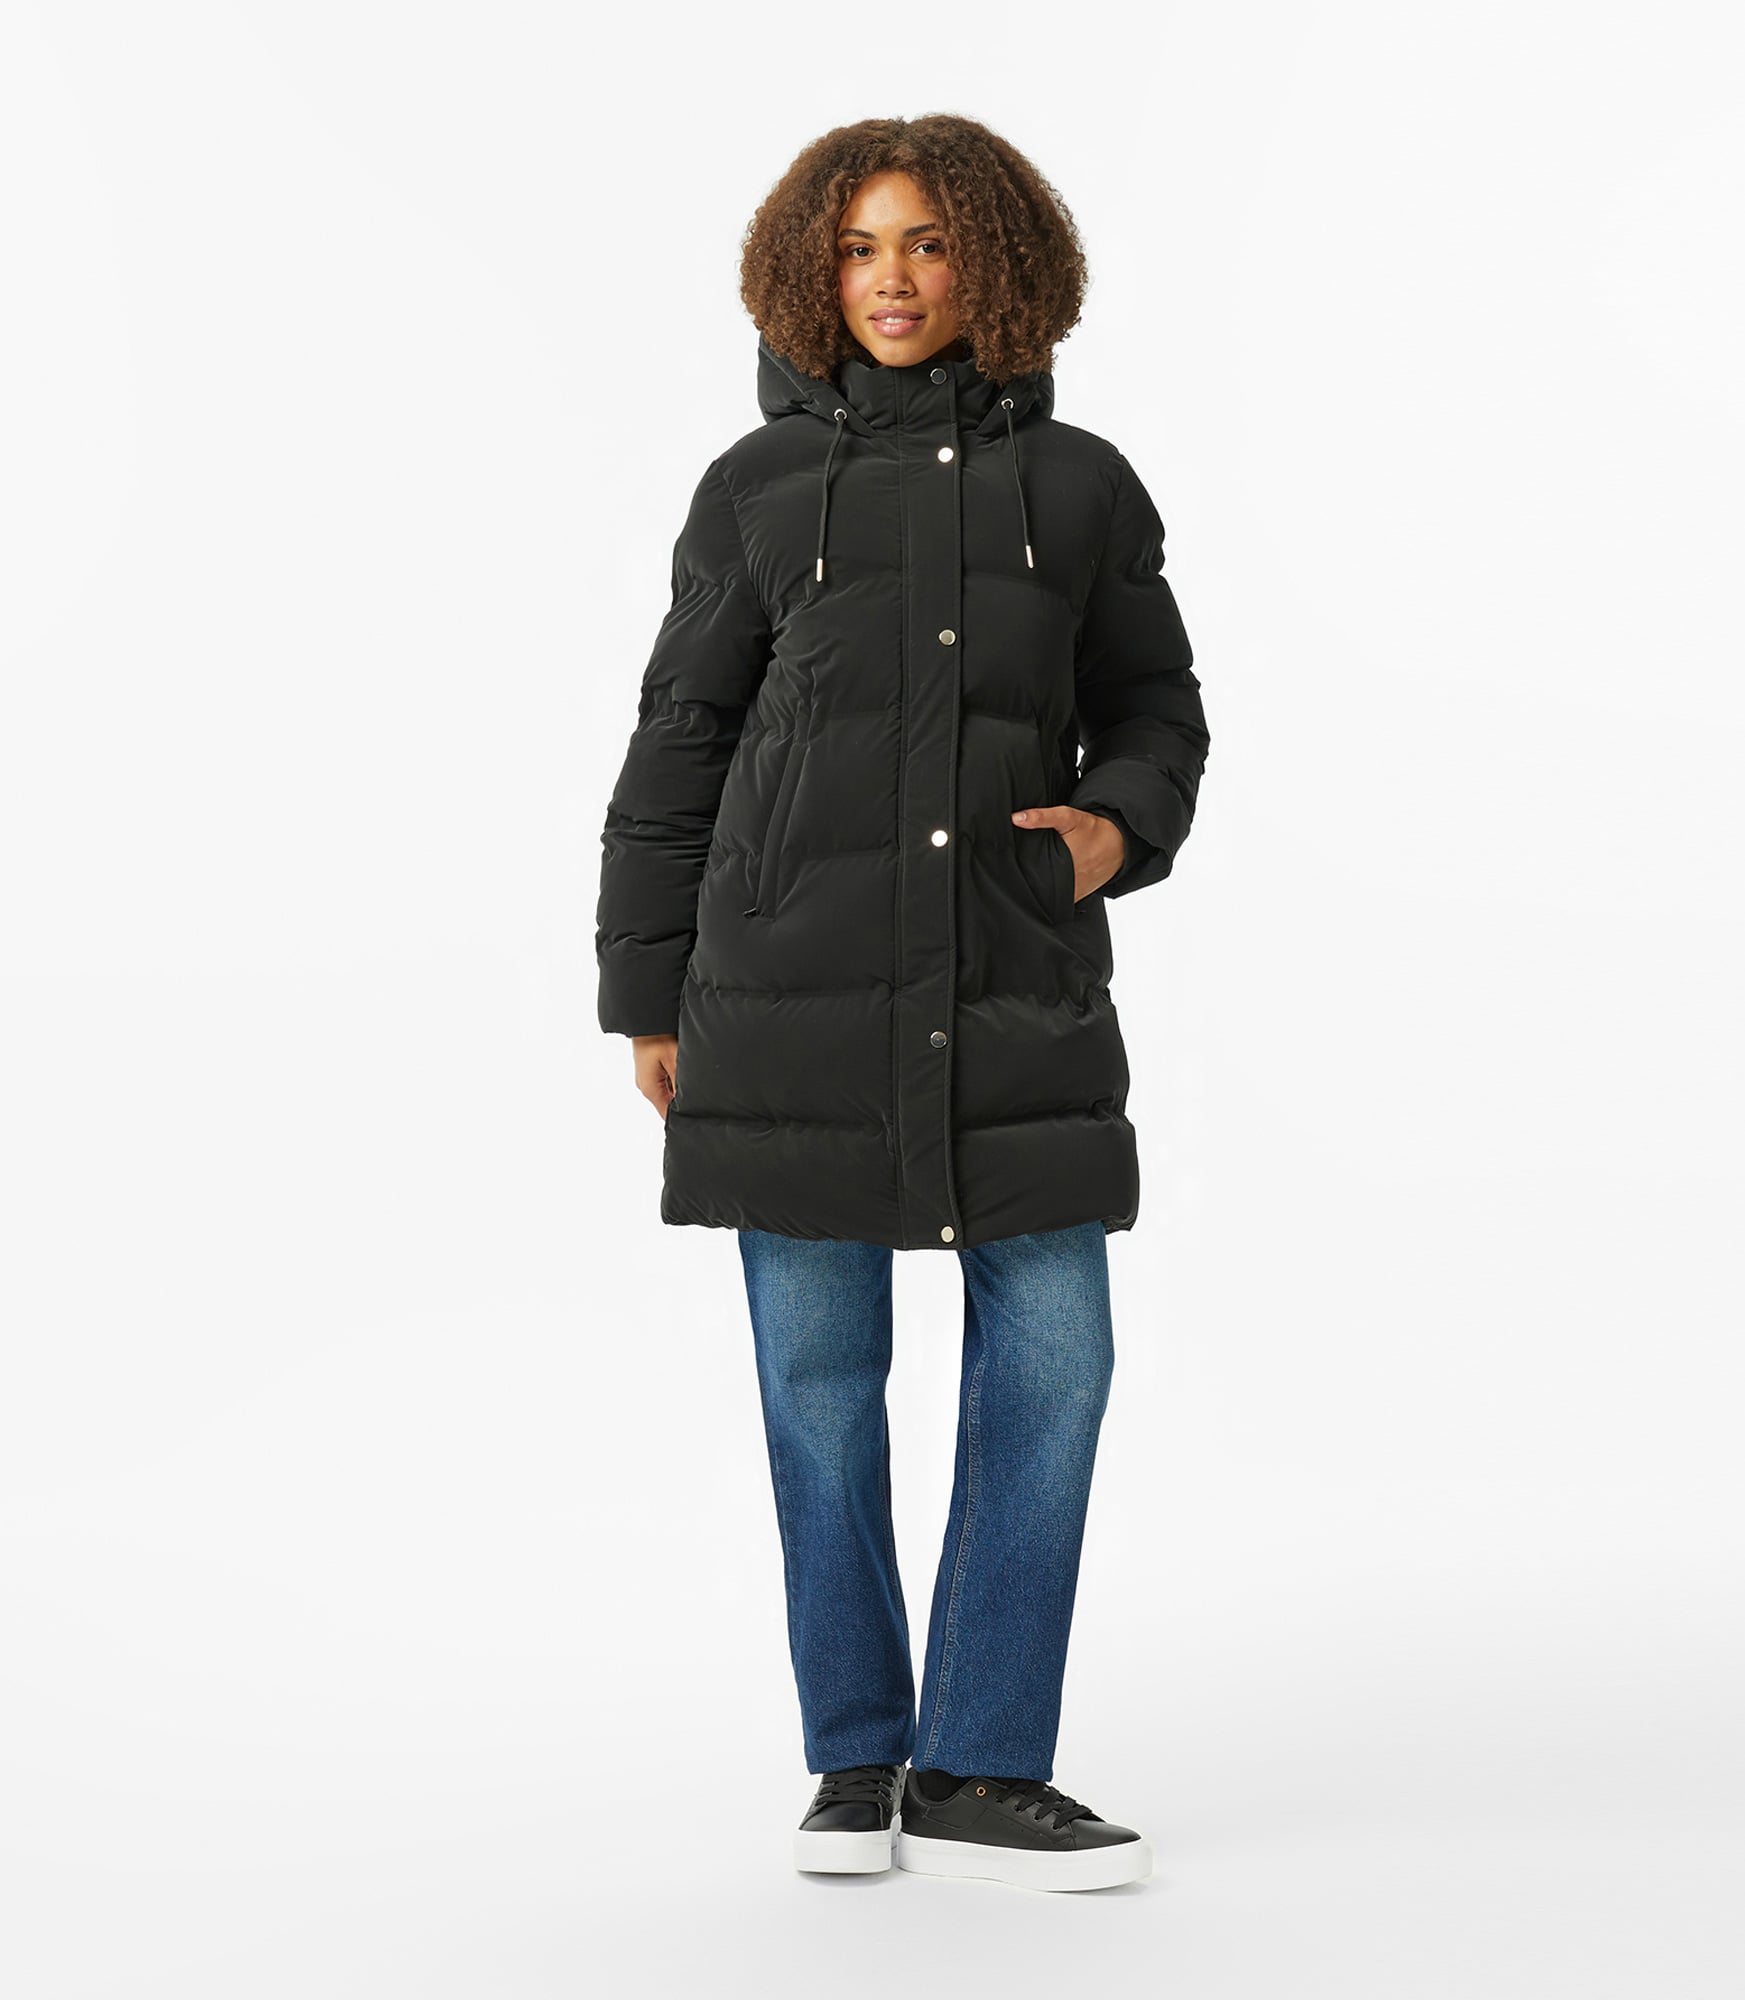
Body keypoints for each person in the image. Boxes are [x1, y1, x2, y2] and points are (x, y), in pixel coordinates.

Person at [594, 114, 1209, 1893]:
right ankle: (857, 1756)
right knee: (819, 1382)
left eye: (930, 243)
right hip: (782, 994)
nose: (893, 279)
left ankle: (984, 1764)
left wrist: (1116, 828)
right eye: (860, 247)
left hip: (1016, 985)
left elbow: (1158, 705)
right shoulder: (755, 488)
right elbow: (681, 741)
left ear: (996, 264)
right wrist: (645, 989)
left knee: (1056, 1363)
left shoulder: (1081, 489)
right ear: (811, 269)